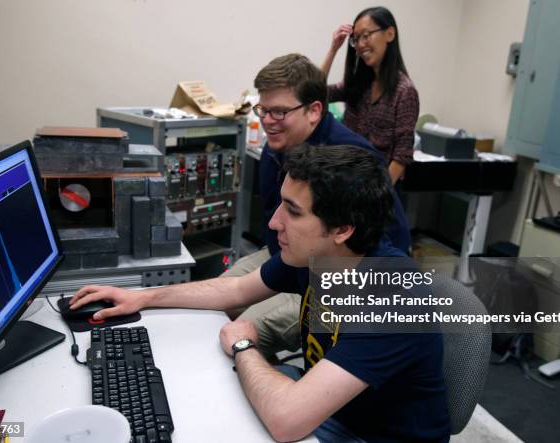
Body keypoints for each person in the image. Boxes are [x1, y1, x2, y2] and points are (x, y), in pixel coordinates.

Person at [70, 144, 450, 442]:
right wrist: (144, 297)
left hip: (371, 435)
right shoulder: (317, 254)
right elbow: (234, 289)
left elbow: (287, 420)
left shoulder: (393, 297)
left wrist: (243, 347)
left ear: (342, 229)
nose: (272, 222)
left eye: (292, 211)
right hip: (333, 407)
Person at [224, 53, 411, 361]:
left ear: (314, 111)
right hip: (287, 254)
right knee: (217, 299)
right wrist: (147, 297)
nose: (268, 120)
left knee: (247, 330)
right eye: (264, 110)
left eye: (280, 111)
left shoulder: (352, 160)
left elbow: (387, 247)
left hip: (333, 276)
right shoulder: (277, 147)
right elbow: (275, 225)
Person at [321, 6, 419, 185]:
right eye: (356, 39)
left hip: (376, 189)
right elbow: (316, 93)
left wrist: (379, 195)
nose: (359, 44)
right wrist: (333, 49)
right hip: (343, 178)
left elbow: (401, 155)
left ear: (389, 34)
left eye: (366, 35)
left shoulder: (404, 91)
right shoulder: (360, 84)